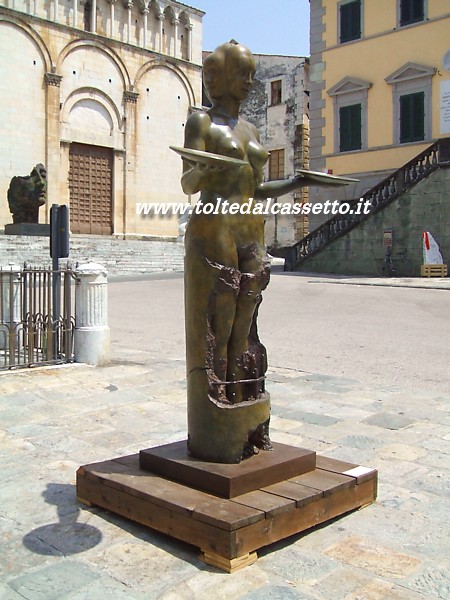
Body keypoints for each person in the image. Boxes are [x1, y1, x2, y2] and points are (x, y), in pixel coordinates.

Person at [180, 41, 343, 463]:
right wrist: (206, 168)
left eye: (253, 73)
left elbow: (256, 188)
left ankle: (242, 391)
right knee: (223, 309)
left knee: (248, 314)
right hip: (216, 222)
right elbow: (188, 183)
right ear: (222, 75)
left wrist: (297, 181)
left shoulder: (251, 130)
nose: (250, 81)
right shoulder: (200, 121)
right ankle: (219, 393)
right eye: (245, 72)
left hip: (251, 223)